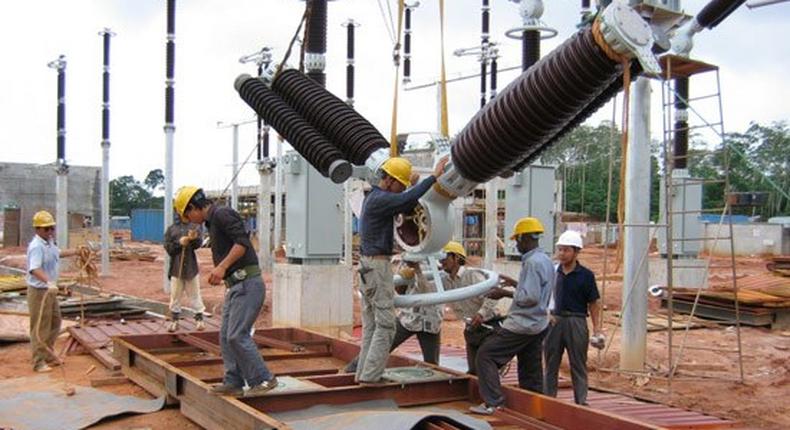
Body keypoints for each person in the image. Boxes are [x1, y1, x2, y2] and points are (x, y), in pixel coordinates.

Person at [174, 186, 277, 397]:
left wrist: (221, 267)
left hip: (247, 284)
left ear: (193, 207)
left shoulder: (222, 214)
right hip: (236, 286)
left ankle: (264, 379)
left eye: (188, 215)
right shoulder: (213, 221)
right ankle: (233, 381)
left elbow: (242, 244)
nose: (190, 220)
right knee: (225, 336)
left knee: (237, 335)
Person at [355, 155, 448, 385]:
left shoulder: (374, 198)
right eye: (401, 185)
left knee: (371, 325)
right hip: (377, 268)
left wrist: (414, 185)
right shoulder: (381, 200)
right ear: (390, 181)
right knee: (386, 324)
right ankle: (370, 377)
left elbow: (403, 200)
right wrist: (434, 177)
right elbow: (406, 202)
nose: (401, 190)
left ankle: (363, 374)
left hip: (368, 267)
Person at [470, 217, 554, 415]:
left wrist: (504, 293)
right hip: (538, 325)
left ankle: (493, 402)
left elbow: (530, 298)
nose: (516, 244)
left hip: (521, 324)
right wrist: (515, 283)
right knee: (529, 369)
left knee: (486, 355)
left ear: (525, 238)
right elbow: (538, 290)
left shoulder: (532, 263)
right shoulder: (545, 260)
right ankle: (533, 407)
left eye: (518, 240)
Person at [344, 260, 442, 372]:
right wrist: (403, 280)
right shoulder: (406, 262)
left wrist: (418, 271)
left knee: (432, 364)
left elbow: (429, 293)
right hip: (409, 317)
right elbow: (401, 291)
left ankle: (432, 386)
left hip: (430, 320)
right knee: (381, 346)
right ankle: (353, 369)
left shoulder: (437, 266)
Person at [544, 230, 603, 406]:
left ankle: (581, 401)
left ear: (576, 252)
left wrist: (597, 328)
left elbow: (593, 303)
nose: (562, 254)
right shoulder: (553, 272)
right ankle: (549, 400)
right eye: (560, 249)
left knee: (578, 363)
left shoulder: (586, 275)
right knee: (551, 362)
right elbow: (544, 296)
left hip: (577, 320)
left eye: (566, 250)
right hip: (554, 320)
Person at [439, 241, 502, 375]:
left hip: (489, 327)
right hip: (471, 329)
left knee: (485, 368)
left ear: (456, 258)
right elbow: (429, 290)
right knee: (473, 371)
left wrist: (480, 314)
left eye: (445, 257)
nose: (441, 261)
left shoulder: (472, 276)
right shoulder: (445, 281)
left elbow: (491, 296)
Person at [25, 210, 75, 372]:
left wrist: (75, 251)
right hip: (39, 291)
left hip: (49, 290)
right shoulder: (36, 246)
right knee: (41, 327)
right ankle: (38, 362)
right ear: (37, 229)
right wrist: (49, 282)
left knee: (55, 322)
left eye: (52, 228)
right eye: (46, 229)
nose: (50, 231)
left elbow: (57, 254)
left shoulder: (49, 242)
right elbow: (34, 268)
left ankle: (47, 354)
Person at [163, 217, 206, 332]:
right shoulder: (172, 229)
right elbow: (168, 248)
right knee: (175, 295)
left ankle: (199, 319)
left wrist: (193, 239)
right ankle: (174, 320)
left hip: (191, 268)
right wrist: (179, 243)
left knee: (195, 294)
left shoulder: (195, 227)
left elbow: (199, 244)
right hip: (176, 268)